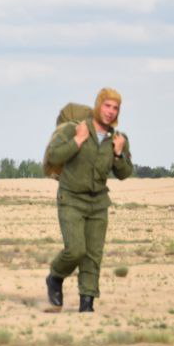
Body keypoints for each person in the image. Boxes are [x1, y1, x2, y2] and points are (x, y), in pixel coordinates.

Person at [44, 88, 132, 313]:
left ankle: (87, 305)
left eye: (115, 108)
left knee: (93, 255)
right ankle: (55, 276)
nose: (110, 111)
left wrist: (118, 154)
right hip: (71, 198)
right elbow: (54, 156)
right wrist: (78, 140)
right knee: (75, 250)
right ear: (98, 105)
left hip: (98, 204)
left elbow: (124, 173)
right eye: (107, 106)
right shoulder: (75, 129)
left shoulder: (118, 139)